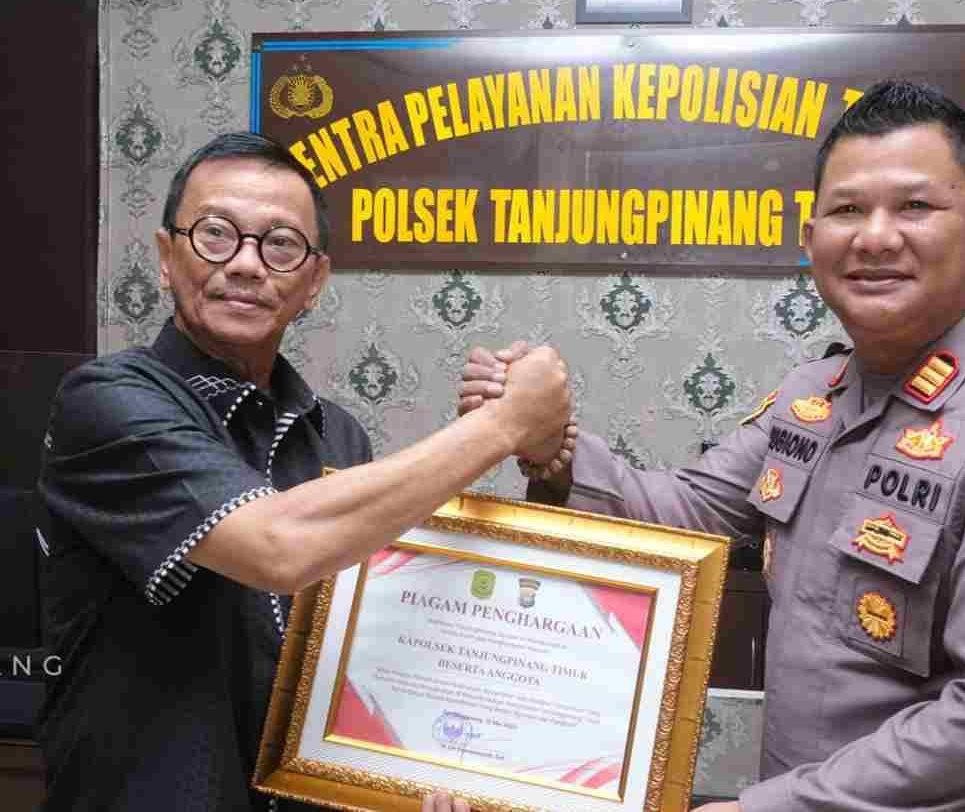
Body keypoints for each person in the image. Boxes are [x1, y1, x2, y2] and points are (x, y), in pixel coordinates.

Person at [459, 81, 965, 811]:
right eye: (847, 210)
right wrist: (549, 446)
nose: (875, 237)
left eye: (914, 205)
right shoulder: (813, 397)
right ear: (811, 240)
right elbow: (685, 514)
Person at [36, 132, 568, 811]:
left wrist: (432, 770)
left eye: (280, 244)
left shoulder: (335, 435)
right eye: (215, 234)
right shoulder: (107, 401)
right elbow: (276, 545)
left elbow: (368, 645)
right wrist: (500, 427)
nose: (246, 264)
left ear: (314, 282)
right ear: (167, 258)